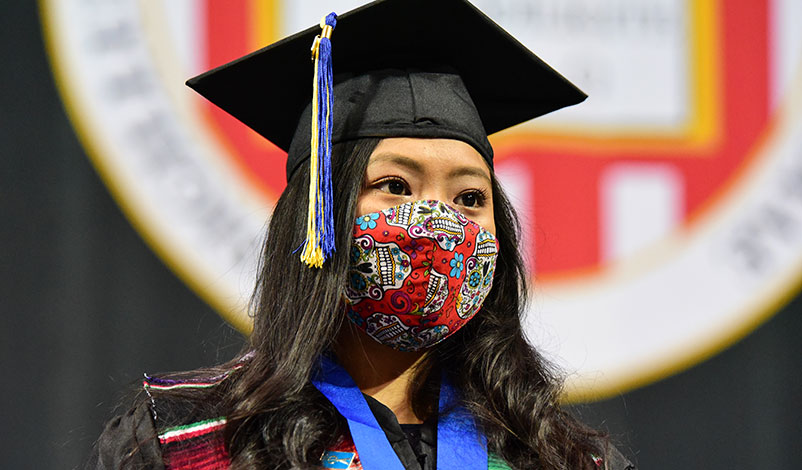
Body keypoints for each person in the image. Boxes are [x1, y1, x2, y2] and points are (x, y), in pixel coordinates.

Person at [88, 0, 635, 469]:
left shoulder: (556, 456)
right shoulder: (195, 443)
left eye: (470, 198)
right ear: (319, 216)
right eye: (395, 185)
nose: (438, 222)